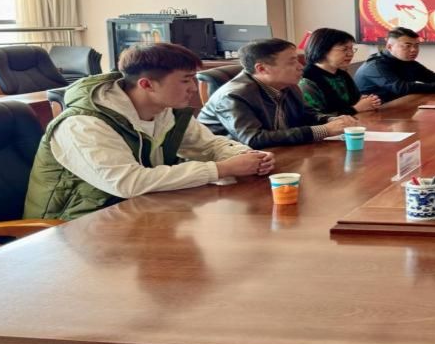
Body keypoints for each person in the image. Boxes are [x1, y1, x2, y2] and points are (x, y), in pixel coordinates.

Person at [24, 43, 273, 221]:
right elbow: (128, 183)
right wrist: (221, 169)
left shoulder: (166, 110)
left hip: (137, 212)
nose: (193, 88)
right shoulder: (83, 124)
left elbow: (208, 146)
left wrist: (247, 156)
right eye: (186, 80)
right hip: (71, 228)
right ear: (147, 84)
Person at [199, 38, 354, 148]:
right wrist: (324, 130)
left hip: (277, 153)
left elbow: (307, 114)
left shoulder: (288, 86)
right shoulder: (233, 96)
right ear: (262, 68)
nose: (301, 66)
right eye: (292, 62)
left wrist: (331, 120)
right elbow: (253, 139)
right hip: (227, 163)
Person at [353, 27, 435, 103]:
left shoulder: (408, 62)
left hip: (398, 107)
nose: (414, 50)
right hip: (373, 113)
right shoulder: (375, 65)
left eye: (416, 45)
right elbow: (400, 88)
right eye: (407, 46)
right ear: (389, 47)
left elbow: (430, 77)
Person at [299, 28, 381, 116]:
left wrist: (367, 102)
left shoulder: (342, 73)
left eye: (352, 49)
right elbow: (316, 118)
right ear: (323, 50)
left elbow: (353, 102)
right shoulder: (306, 81)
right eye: (344, 49)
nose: (350, 54)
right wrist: (356, 108)